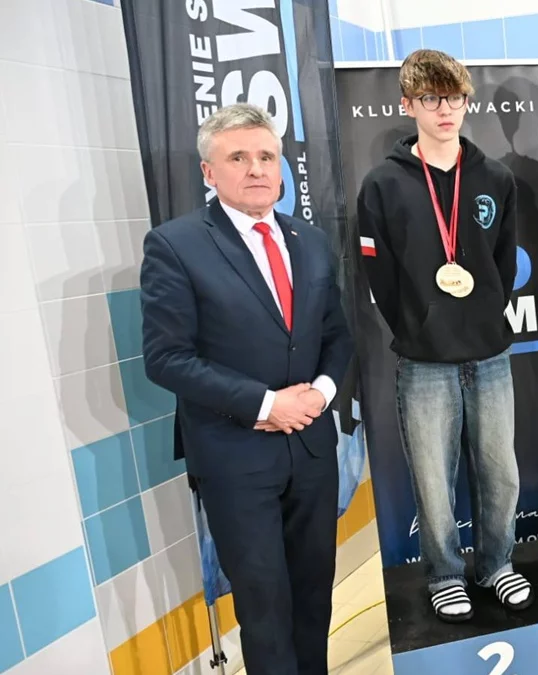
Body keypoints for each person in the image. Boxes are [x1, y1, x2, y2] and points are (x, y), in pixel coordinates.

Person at [140, 103, 353, 675]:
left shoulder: (309, 241)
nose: (256, 168)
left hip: (311, 447)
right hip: (235, 456)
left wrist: (321, 394)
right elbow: (165, 358)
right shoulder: (175, 245)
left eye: (266, 156)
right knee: (264, 609)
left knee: (314, 597)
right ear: (209, 172)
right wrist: (265, 404)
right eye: (238, 157)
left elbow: (337, 335)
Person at [356, 49, 531, 622]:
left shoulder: (495, 178)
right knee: (433, 478)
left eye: (454, 97)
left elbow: (505, 264)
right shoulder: (383, 184)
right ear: (408, 104)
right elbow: (379, 275)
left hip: (489, 354)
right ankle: (446, 573)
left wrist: (481, 317)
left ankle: (496, 563)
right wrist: (418, 327)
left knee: (500, 471)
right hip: (424, 360)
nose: (445, 109)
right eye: (431, 98)